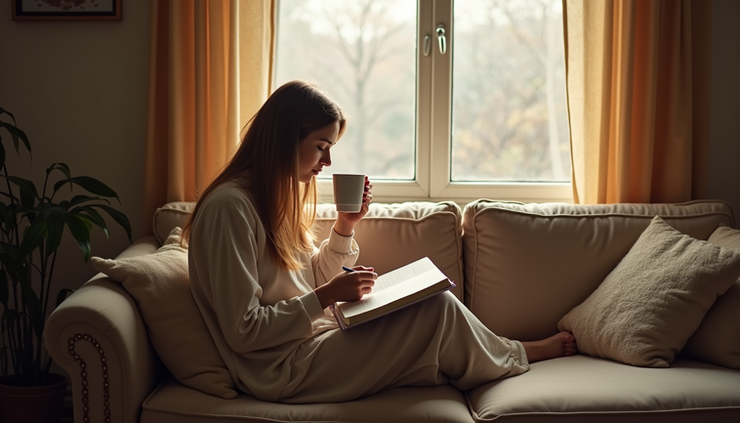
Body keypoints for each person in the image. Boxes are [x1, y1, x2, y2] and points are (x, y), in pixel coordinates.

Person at [184, 80, 576, 404]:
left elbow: (305, 281)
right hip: (280, 369)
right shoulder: (229, 209)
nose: (327, 163)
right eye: (321, 147)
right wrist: (325, 296)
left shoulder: (270, 199)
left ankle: (499, 352)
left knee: (426, 300)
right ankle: (518, 353)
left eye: (330, 149)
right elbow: (244, 330)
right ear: (287, 139)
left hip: (311, 340)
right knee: (436, 307)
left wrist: (345, 226)